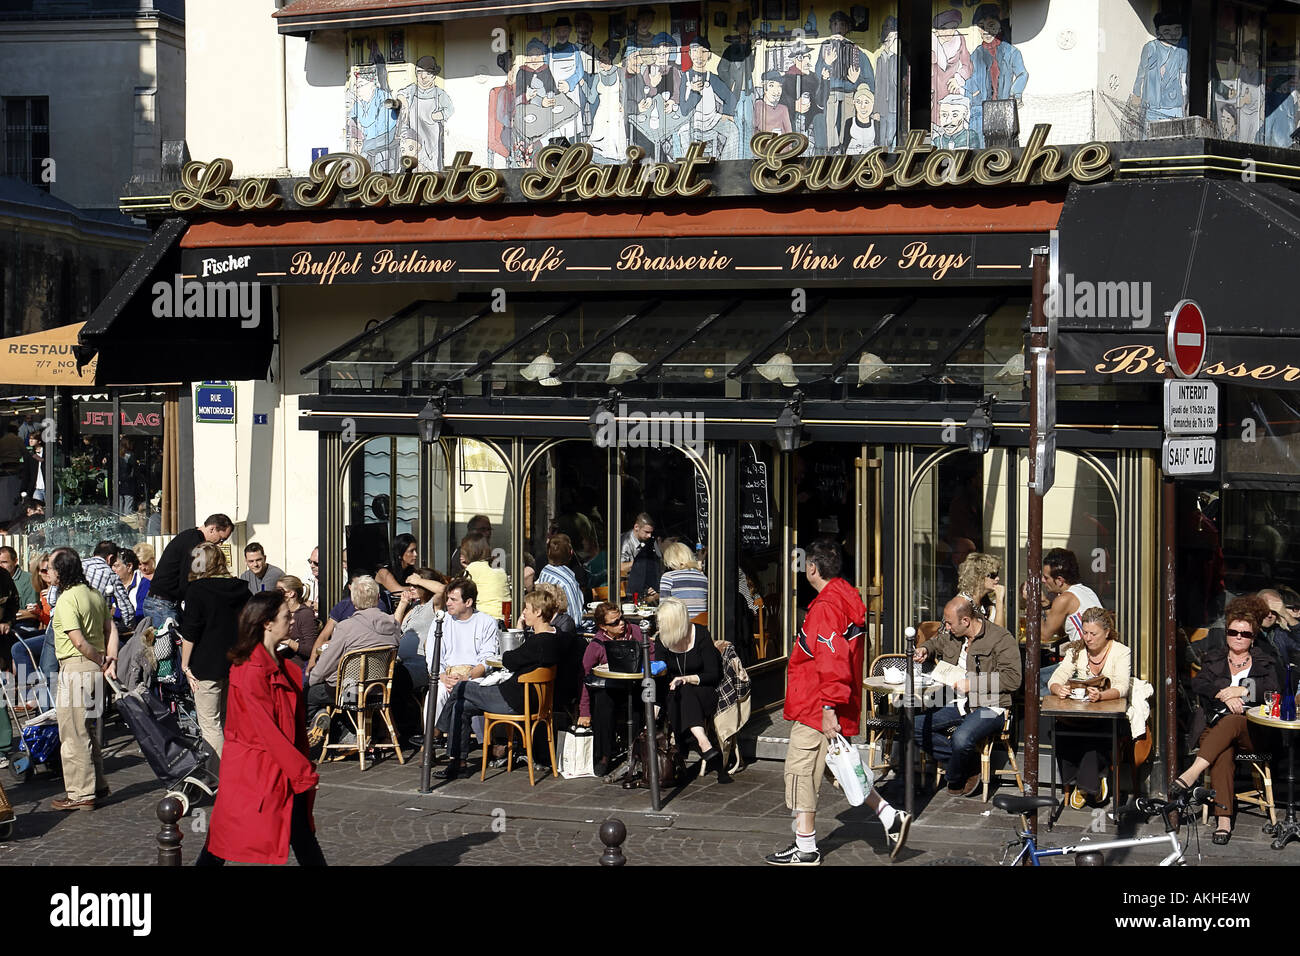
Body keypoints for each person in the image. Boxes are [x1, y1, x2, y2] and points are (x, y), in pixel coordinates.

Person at [766, 538, 910, 865]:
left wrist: (829, 707)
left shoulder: (826, 607)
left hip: (816, 706)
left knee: (801, 772)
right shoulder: (844, 599)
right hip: (824, 703)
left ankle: (805, 848)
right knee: (840, 768)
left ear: (812, 568)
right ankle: (890, 816)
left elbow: (831, 661)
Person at [194, 590, 327, 866]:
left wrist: (300, 767)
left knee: (301, 835)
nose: (291, 621)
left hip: (281, 768)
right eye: (286, 616)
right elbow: (267, 731)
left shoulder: (283, 668)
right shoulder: (250, 670)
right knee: (222, 842)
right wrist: (302, 772)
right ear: (267, 622)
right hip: (255, 772)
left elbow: (294, 729)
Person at [1173, 595, 1280, 844]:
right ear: (1227, 633)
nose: (1238, 637)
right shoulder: (1214, 659)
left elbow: (1274, 690)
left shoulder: (1264, 661)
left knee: (1234, 720)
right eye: (1233, 632)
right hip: (1216, 729)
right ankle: (1223, 821)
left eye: (1245, 634)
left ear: (1253, 638)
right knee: (1222, 751)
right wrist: (1224, 695)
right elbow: (1200, 683)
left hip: (1253, 733)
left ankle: (1192, 773)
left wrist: (1242, 691)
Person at [435, 587, 559, 780]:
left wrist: (519, 634)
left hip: (512, 700)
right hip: (532, 701)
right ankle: (457, 761)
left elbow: (509, 659)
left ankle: (436, 732)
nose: (524, 612)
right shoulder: (553, 638)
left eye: (526, 608)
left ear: (538, 612)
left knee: (461, 686)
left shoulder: (538, 642)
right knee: (462, 706)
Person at [913, 594, 1022, 798]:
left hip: (992, 706)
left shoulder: (1000, 638)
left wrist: (973, 684)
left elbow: (1013, 679)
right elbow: (936, 643)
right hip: (960, 703)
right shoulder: (953, 634)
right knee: (912, 725)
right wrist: (925, 650)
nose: (946, 626)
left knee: (961, 738)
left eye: (949, 622)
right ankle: (970, 764)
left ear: (965, 621)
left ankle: (955, 775)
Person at [49, 547, 118, 811]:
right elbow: (111, 629)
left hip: (77, 668)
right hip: (94, 671)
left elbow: (77, 641)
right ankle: (98, 785)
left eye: (51, 569)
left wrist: (101, 660)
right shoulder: (93, 594)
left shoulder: (67, 599)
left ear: (62, 571)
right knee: (88, 729)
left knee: (73, 732)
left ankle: (80, 793)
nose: (48, 573)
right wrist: (109, 658)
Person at [1046, 607, 1132, 808]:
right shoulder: (1077, 651)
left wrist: (1101, 695)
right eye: (1085, 632)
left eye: (1093, 633)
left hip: (1106, 713)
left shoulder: (1121, 652)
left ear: (1107, 632)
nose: (1088, 638)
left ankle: (1086, 785)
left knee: (1096, 734)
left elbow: (1122, 686)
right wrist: (1058, 688)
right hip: (1078, 713)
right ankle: (1087, 780)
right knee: (1060, 730)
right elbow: (1056, 677)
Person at [180, 542, 252, 761]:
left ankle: (220, 774)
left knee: (210, 723)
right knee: (229, 721)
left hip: (206, 664)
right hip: (237, 662)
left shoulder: (197, 590)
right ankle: (236, 767)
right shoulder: (241, 588)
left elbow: (190, 633)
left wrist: (185, 665)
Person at [305, 575, 401, 730]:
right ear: (377, 598)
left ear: (354, 602)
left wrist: (312, 679)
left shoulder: (346, 627)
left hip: (350, 692)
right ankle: (350, 731)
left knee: (310, 692)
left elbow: (326, 664)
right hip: (380, 690)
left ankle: (324, 726)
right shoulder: (394, 625)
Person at [653, 598, 727, 780]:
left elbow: (713, 674)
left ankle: (690, 744)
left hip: (703, 690)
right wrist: (656, 705)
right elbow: (661, 677)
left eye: (662, 622)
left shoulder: (700, 634)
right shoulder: (662, 640)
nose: (659, 625)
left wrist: (687, 678)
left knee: (684, 688)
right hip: (674, 694)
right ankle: (704, 743)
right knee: (680, 690)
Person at [579, 601, 649, 777]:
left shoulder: (635, 633)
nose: (621, 624)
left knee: (639, 703)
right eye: (614, 623)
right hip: (609, 689)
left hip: (634, 686)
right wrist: (584, 711)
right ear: (603, 626)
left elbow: (652, 655)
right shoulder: (596, 645)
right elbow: (585, 678)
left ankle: (637, 753)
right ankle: (603, 755)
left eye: (622, 619)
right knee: (603, 701)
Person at [424, 576, 497, 729]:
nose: (448, 603)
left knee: (475, 689)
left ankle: (484, 740)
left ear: (468, 602)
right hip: (446, 675)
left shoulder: (486, 622)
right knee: (436, 692)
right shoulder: (440, 621)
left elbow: (487, 659)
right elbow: (433, 656)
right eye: (447, 598)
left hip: (474, 676)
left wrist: (466, 677)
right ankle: (431, 738)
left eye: (453, 599)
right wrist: (444, 677)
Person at [144, 514, 234, 630]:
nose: (220, 544)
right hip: (162, 605)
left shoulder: (190, 536)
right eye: (221, 539)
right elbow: (190, 581)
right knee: (168, 646)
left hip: (161, 602)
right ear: (212, 529)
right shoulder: (196, 544)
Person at [1032, 547, 1101, 694]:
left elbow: (1043, 636)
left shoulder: (1064, 599)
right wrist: (1045, 603)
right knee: (1041, 677)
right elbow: (1063, 629)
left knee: (1033, 683)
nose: (1043, 581)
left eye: (1046, 577)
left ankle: (1056, 714)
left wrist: (1032, 602)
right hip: (1094, 661)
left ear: (1059, 580)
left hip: (1085, 668)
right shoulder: (1085, 591)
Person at [83, 541, 136, 630]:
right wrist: (128, 627)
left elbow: (51, 599)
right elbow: (127, 612)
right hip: (89, 626)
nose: (112, 568)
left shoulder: (78, 564)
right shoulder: (111, 575)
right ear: (110, 558)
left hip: (61, 621)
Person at [276, 575, 319, 676]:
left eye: (280, 591)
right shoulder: (280, 611)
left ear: (291, 594)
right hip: (279, 660)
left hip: (296, 666)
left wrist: (288, 642)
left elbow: (310, 650)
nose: (276, 594)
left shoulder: (305, 614)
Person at [460, 532, 507, 621]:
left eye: (463, 552)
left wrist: (467, 569)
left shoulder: (473, 568)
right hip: (504, 618)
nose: (461, 555)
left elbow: (462, 593)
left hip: (486, 618)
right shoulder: (499, 569)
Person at [538, 534, 583, 622]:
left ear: (548, 553)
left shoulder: (544, 572)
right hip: (563, 631)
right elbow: (575, 620)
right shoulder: (568, 582)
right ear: (571, 552)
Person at [656, 541, 708, 616]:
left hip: (680, 624)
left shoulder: (669, 577)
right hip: (700, 625)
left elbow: (664, 608)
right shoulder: (703, 578)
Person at [956, 552, 1006, 627]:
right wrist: (999, 599)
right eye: (993, 575)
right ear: (978, 577)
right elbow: (997, 635)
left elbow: (1000, 634)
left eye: (997, 574)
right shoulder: (963, 604)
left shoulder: (986, 604)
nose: (997, 578)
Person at [621, 512, 662, 601]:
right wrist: (639, 563)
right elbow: (620, 568)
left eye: (651, 532)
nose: (649, 535)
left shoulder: (650, 540)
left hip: (646, 587)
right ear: (636, 527)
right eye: (646, 532)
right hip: (627, 589)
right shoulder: (625, 542)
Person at [1258, 588, 1300, 668]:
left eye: (1274, 612)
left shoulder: (1279, 634)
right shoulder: (1244, 632)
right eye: (1265, 610)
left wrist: (1287, 616)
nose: (1269, 615)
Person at [111, 549, 150, 624]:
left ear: (129, 566)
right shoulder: (111, 584)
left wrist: (114, 611)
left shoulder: (144, 585)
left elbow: (141, 616)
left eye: (116, 566)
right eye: (111, 566)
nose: (112, 569)